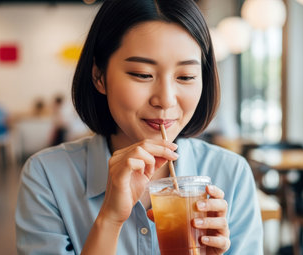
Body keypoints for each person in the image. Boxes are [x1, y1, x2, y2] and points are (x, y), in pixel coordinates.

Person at [15, 0, 263, 254]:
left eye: (186, 77)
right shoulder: (47, 176)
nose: (165, 99)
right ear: (99, 76)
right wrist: (109, 219)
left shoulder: (231, 175)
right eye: (143, 74)